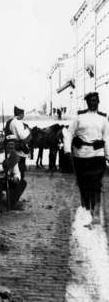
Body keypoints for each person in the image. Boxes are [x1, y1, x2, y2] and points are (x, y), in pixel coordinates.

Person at [64, 92, 109, 225]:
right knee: (83, 186)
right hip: (81, 156)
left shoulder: (103, 120)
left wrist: (108, 156)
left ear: (98, 102)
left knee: (96, 185)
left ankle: (94, 214)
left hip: (97, 155)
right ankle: (86, 210)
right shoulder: (79, 118)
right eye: (90, 100)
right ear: (87, 102)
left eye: (95, 100)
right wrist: (67, 150)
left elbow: (107, 139)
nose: (92, 103)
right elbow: (69, 134)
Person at [0, 135, 26, 211]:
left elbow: (16, 172)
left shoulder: (14, 156)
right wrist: (3, 167)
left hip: (7, 179)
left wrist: (16, 178)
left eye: (13, 145)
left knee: (22, 183)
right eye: (9, 144)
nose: (11, 147)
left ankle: (11, 204)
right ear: (5, 145)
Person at [4, 103, 31, 180]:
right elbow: (22, 136)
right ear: (21, 113)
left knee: (14, 169)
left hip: (13, 148)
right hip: (19, 149)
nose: (24, 115)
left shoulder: (11, 121)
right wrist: (28, 130)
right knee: (20, 170)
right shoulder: (17, 122)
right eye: (23, 113)